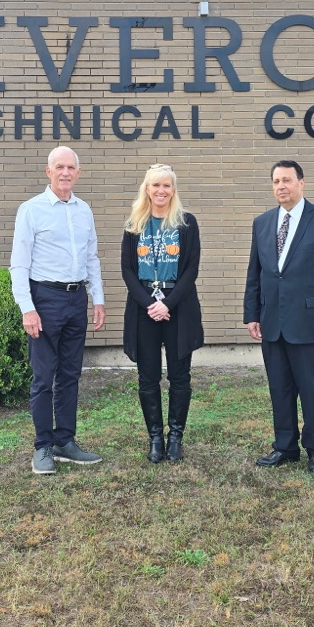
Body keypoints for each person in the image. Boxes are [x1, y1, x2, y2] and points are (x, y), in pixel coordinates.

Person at [243, 161, 314, 476]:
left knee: (313, 390)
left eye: (287, 180)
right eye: (276, 181)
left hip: (311, 323)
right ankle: (285, 447)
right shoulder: (262, 223)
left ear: (302, 183)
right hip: (272, 323)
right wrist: (252, 313)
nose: (281, 187)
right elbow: (256, 273)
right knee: (280, 388)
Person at [10, 146, 105, 475]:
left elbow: (92, 258)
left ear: (78, 173)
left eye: (71, 168)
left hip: (76, 299)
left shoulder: (84, 211)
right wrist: (28, 309)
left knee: (70, 375)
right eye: (59, 167)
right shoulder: (31, 210)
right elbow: (19, 264)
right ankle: (42, 447)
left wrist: (98, 298)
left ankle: (65, 442)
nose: (66, 173)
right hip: (44, 299)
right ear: (48, 172)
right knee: (43, 378)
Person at [121, 164, 204, 463]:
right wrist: (149, 304)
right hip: (144, 308)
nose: (161, 191)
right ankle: (155, 437)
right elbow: (127, 270)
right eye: (155, 185)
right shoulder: (135, 224)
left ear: (173, 189)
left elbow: (192, 269)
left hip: (177, 308)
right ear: (147, 188)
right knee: (148, 377)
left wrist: (167, 304)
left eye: (166, 185)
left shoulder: (186, 223)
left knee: (180, 377)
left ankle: (175, 438)